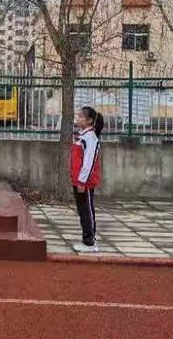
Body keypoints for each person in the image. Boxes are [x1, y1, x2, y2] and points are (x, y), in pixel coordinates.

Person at [71, 106, 104, 253]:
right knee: (83, 209)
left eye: (80, 116)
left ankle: (89, 240)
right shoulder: (82, 137)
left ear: (89, 120)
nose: (77, 118)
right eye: (77, 115)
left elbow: (89, 162)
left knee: (86, 210)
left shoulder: (90, 138)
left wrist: (82, 181)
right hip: (78, 181)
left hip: (84, 182)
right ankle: (88, 237)